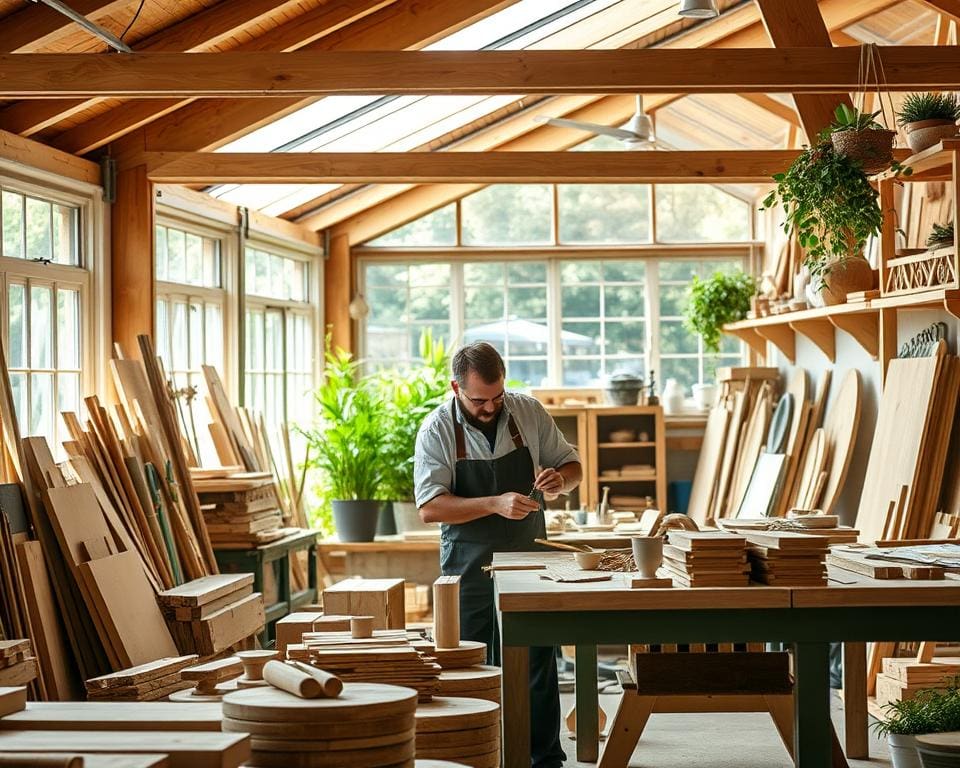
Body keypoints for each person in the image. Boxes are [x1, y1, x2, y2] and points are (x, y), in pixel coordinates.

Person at [414, 342, 582, 768]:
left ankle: (544, 758)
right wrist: (494, 503)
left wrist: (559, 481)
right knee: (473, 659)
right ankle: (478, 756)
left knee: (537, 661)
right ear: (455, 387)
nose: (490, 407)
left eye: (497, 397)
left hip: (530, 558)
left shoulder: (528, 412)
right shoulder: (436, 430)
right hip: (468, 564)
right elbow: (430, 507)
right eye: (479, 399)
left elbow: (573, 465)